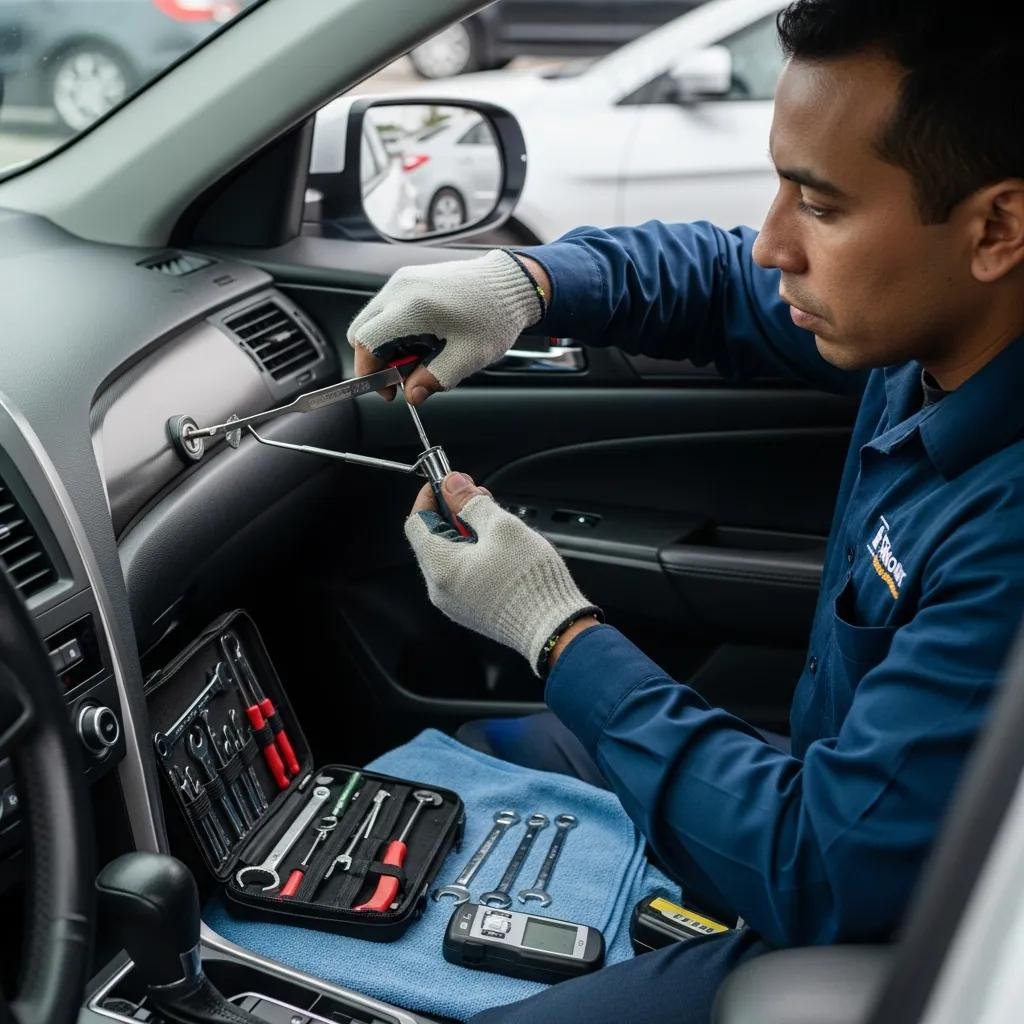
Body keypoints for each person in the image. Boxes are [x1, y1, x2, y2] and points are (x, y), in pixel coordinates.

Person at [347, 1, 1024, 1019]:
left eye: (822, 207)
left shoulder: (1007, 527)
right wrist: (526, 282)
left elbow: (816, 873)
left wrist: (552, 627)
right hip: (831, 797)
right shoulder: (933, 329)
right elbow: (714, 282)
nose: (770, 243)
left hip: (859, 931)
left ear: (995, 229)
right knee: (471, 756)